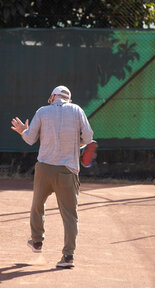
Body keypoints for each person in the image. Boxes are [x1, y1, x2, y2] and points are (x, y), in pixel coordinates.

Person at [11, 85, 94, 268]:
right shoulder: (77, 110)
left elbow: (30, 139)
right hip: (68, 170)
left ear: (53, 97)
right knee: (70, 216)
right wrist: (76, 142)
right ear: (68, 99)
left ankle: (37, 241)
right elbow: (88, 138)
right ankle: (68, 256)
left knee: (37, 205)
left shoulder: (42, 111)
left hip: (44, 169)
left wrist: (22, 131)